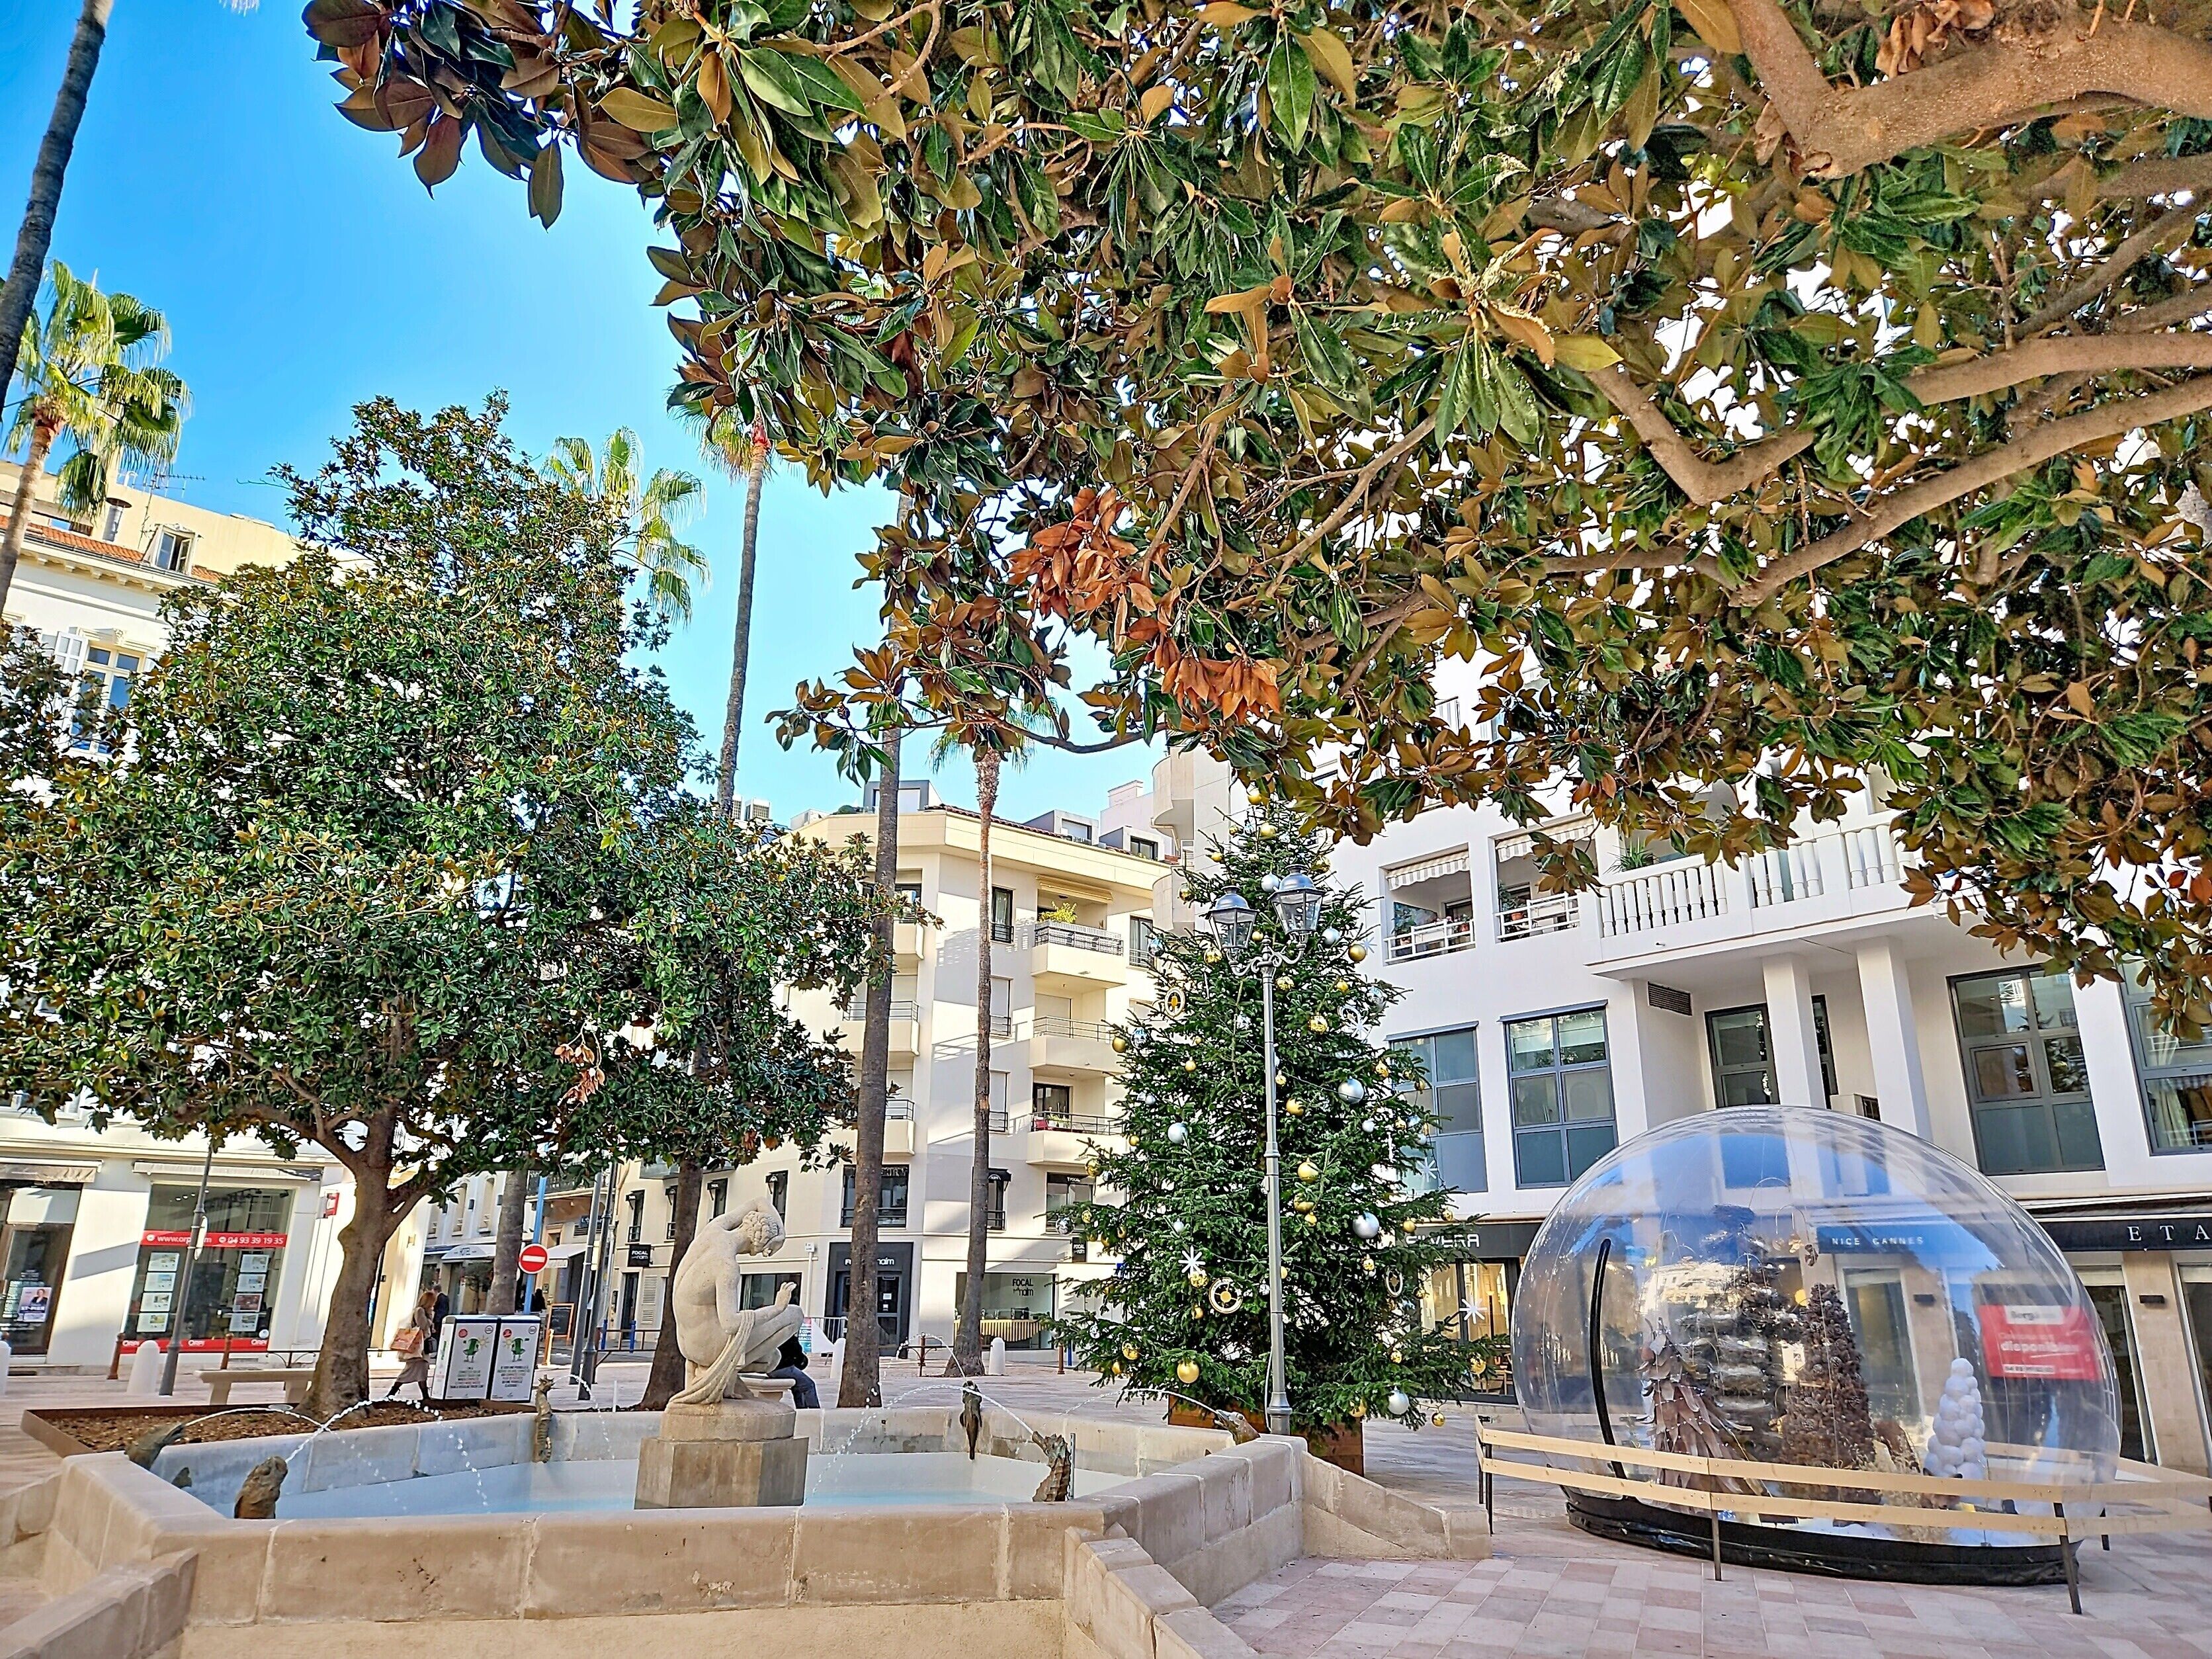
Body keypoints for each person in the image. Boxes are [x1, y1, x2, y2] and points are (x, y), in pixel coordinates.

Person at [386, 1289, 437, 1404]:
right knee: (411, 1371)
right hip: (418, 1347)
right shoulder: (420, 1311)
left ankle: (425, 1396)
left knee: (421, 1371)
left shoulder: (423, 1311)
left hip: (421, 1349)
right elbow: (423, 1325)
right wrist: (430, 1318)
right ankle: (392, 1393)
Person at [768, 1330, 818, 1410]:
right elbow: (797, 1352)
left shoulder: (776, 1336)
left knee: (797, 1386)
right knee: (809, 1385)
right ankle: (815, 1410)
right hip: (784, 1368)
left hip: (772, 1369)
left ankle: (801, 1410)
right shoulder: (789, 1337)